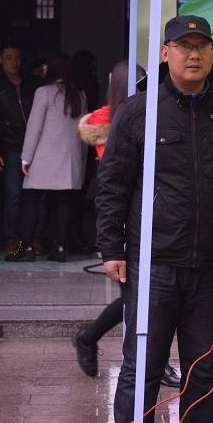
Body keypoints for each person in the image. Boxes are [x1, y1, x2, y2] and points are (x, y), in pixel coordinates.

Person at [96, 15, 213, 423]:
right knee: (141, 366)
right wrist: (111, 246)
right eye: (183, 46)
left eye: (201, 46)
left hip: (211, 265)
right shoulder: (138, 112)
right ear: (165, 53)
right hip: (152, 262)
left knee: (203, 366)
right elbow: (112, 184)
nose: (193, 54)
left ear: (212, 55)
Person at [71, 61, 183, 387]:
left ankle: (92, 339)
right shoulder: (122, 121)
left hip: (147, 220)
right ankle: (96, 341)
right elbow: (116, 182)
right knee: (142, 299)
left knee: (143, 298)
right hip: (128, 222)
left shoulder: (129, 117)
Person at [6, 53, 87, 262]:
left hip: (43, 158)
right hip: (70, 158)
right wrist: (82, 160)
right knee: (64, 202)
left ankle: (27, 248)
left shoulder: (44, 92)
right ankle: (60, 248)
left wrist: (26, 158)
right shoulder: (79, 94)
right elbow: (84, 131)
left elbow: (34, 129)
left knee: (30, 199)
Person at [0, 44, 40, 256]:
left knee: (38, 195)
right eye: (8, 57)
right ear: (0, 60)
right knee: (13, 195)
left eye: (17, 57)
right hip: (12, 146)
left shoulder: (32, 83)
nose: (14, 62)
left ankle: (35, 239)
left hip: (36, 146)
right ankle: (12, 240)